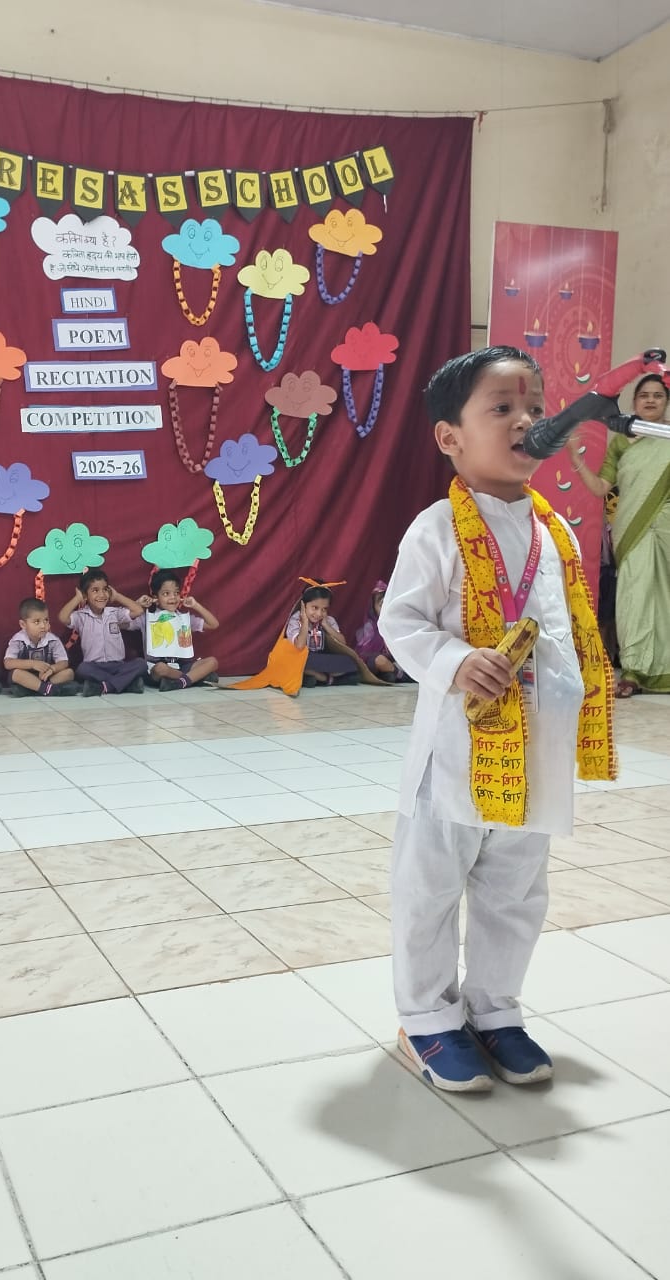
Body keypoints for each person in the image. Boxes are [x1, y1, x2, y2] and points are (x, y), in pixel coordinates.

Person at [379, 345, 615, 1093]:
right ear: (449, 437)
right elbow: (401, 622)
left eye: (535, 408)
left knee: (515, 890)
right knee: (430, 886)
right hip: (456, 752)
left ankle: (495, 1010)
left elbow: (564, 628)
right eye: (503, 408)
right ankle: (426, 1018)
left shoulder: (555, 532)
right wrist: (453, 661)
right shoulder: (435, 529)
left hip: (534, 750)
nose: (526, 422)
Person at [566, 372, 670, 697]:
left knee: (664, 598)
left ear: (666, 402)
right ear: (634, 402)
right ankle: (634, 671)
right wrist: (576, 458)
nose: (650, 400)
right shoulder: (622, 443)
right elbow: (601, 488)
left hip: (666, 527)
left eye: (657, 395)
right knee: (634, 598)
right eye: (644, 395)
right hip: (632, 529)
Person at [58, 569, 145, 696]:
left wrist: (117, 596)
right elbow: (63, 617)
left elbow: (138, 610)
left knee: (141, 664)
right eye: (95, 590)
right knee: (82, 669)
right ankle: (126, 684)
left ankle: (105, 687)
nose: (102, 595)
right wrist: (78, 598)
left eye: (105, 589)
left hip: (118, 665)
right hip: (94, 666)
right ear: (85, 595)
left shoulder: (114, 613)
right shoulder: (81, 616)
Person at [134, 570, 219, 690]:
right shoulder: (147, 618)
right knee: (160, 669)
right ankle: (194, 679)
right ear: (155, 597)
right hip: (158, 667)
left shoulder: (183, 618)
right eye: (166, 594)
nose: (173, 597)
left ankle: (180, 682)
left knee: (212, 662)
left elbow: (213, 624)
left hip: (182, 666)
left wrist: (196, 605)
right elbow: (122, 622)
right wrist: (137, 604)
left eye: (176, 593)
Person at [4, 597, 79, 696]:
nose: (43, 626)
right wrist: (32, 664)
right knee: (16, 674)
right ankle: (48, 689)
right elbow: (8, 663)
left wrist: (52, 669)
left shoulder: (53, 640)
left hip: (46, 676)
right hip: (27, 676)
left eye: (46, 620)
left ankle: (37, 689)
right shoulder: (18, 640)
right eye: (37, 622)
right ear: (23, 624)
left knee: (69, 673)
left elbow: (63, 662)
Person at [285, 583, 357, 686]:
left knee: (349, 661)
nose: (319, 614)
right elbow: (299, 645)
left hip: (320, 658)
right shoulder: (296, 620)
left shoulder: (328, 620)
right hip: (301, 657)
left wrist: (326, 625)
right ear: (303, 605)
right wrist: (305, 622)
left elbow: (343, 643)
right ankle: (325, 679)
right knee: (297, 661)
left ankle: (314, 677)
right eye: (315, 608)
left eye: (324, 609)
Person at [354, 580, 411, 682]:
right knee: (379, 661)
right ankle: (399, 675)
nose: (386, 609)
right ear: (373, 608)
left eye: (388, 604)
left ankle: (392, 674)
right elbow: (362, 655)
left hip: (399, 662)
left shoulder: (402, 624)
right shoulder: (369, 628)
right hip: (380, 662)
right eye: (381, 605)